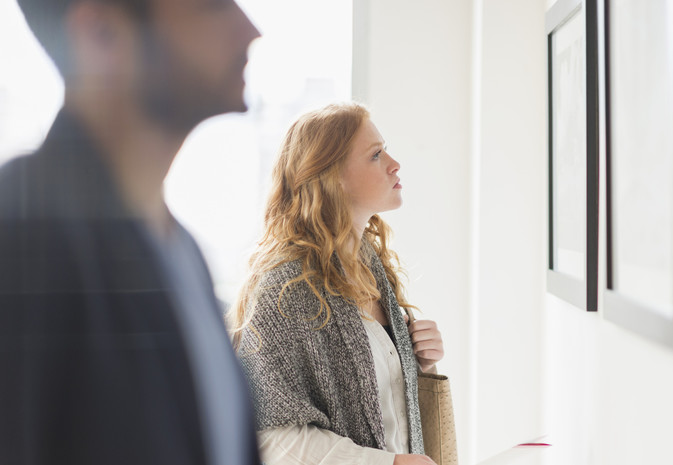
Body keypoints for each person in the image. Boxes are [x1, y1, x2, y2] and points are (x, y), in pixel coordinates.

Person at [0, 1, 262, 464]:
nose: (250, 30)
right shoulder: (21, 230)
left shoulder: (183, 254)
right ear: (101, 33)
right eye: (212, 6)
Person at [227, 102, 444, 465]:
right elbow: (271, 437)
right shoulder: (285, 290)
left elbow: (386, 413)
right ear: (331, 176)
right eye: (376, 155)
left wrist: (422, 364)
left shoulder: (373, 268)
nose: (394, 163)